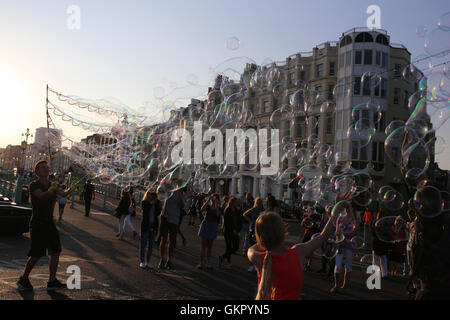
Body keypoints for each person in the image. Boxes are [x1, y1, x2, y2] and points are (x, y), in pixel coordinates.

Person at [247, 192, 349, 300]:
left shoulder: (258, 258)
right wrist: (336, 209)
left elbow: (251, 249)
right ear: (282, 231)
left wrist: (270, 237)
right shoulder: (297, 252)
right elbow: (323, 236)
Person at [17, 160, 77, 291]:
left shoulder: (52, 184)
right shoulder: (34, 185)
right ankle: (24, 278)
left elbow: (63, 194)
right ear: (37, 171)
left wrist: (71, 189)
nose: (46, 169)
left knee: (56, 251)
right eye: (42, 167)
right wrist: (52, 189)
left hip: (49, 222)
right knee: (37, 254)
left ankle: (52, 280)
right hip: (38, 223)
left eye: (47, 167)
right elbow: (42, 196)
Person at [330, 205, 358, 293]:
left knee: (348, 266)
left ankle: (344, 286)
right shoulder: (340, 218)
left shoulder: (355, 220)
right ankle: (336, 285)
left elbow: (355, 232)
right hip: (340, 244)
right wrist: (338, 243)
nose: (347, 209)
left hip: (350, 244)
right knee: (338, 266)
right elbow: (337, 232)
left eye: (349, 208)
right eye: (346, 208)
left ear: (352, 209)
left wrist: (344, 234)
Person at [158, 187, 186, 270]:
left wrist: (179, 194)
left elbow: (181, 205)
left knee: (172, 240)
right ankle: (161, 259)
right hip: (165, 217)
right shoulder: (169, 190)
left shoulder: (182, 193)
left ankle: (169, 260)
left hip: (174, 219)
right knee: (163, 239)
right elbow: (162, 201)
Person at [197, 194, 221, 269]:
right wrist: (208, 200)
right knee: (203, 246)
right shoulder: (207, 206)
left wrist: (216, 204)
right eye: (212, 198)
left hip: (213, 226)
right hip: (205, 224)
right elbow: (201, 209)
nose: (213, 199)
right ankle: (201, 263)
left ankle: (208, 263)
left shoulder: (218, 207)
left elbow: (218, 215)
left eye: (215, 198)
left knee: (209, 246)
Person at [140, 190, 161, 269]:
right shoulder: (144, 202)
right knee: (143, 244)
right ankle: (142, 261)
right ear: (147, 194)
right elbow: (145, 211)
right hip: (146, 226)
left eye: (153, 194)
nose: (151, 196)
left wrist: (159, 206)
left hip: (153, 226)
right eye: (150, 194)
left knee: (151, 246)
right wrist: (152, 203)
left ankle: (148, 261)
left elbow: (158, 214)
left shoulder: (156, 203)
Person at [219, 197, 242, 268]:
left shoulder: (237, 211)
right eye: (236, 202)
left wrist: (237, 230)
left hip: (236, 231)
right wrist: (233, 230)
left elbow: (239, 221)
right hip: (228, 231)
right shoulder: (227, 210)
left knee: (236, 247)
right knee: (228, 247)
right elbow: (226, 222)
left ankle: (222, 257)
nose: (237, 203)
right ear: (232, 203)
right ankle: (228, 262)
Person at [243, 197, 264, 272]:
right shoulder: (253, 210)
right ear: (255, 203)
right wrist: (251, 221)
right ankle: (251, 265)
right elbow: (244, 214)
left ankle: (258, 265)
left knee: (260, 248)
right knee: (252, 247)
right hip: (253, 230)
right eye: (258, 203)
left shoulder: (263, 211)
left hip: (261, 231)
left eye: (260, 203)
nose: (259, 204)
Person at [300, 203, 322, 271]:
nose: (310, 209)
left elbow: (319, 226)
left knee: (310, 250)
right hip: (307, 234)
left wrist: (315, 224)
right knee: (303, 248)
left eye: (312, 208)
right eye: (310, 208)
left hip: (313, 234)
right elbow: (302, 225)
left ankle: (309, 264)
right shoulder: (306, 215)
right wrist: (304, 222)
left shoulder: (317, 216)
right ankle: (303, 263)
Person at [371, 210, 390, 279]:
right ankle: (378, 274)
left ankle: (383, 274)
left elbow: (388, 232)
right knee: (378, 259)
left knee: (382, 258)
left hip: (381, 242)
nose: (383, 217)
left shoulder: (383, 223)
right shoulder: (376, 223)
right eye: (383, 215)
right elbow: (373, 232)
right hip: (378, 242)